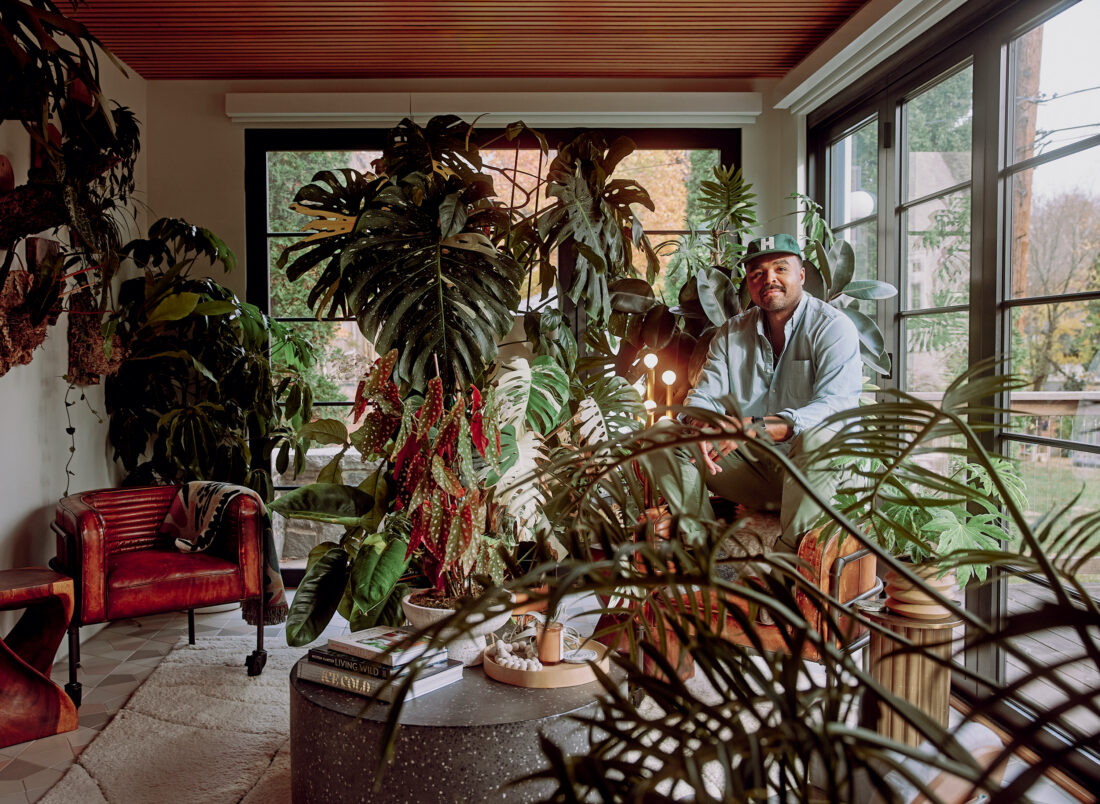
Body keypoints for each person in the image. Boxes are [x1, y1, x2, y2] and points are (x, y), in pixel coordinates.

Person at [657, 233, 863, 552]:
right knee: (665, 435)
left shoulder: (833, 327)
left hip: (816, 477)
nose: (769, 279)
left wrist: (751, 427)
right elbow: (703, 397)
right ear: (750, 283)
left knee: (817, 438)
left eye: (780, 268)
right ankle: (704, 550)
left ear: (801, 275)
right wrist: (702, 428)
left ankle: (788, 565)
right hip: (755, 473)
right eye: (757, 273)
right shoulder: (731, 334)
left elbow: (834, 408)